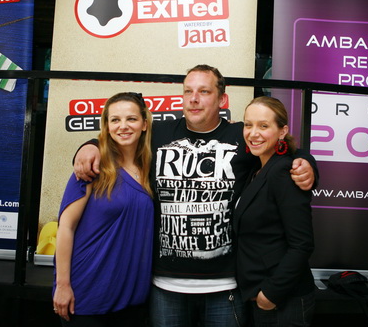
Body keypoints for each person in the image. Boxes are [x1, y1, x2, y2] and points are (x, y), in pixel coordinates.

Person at [73, 65, 318, 327]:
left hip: (226, 285)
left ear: (222, 99)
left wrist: (308, 164)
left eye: (204, 91)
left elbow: (282, 151)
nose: (194, 99)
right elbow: (119, 139)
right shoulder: (158, 134)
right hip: (166, 286)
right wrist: (89, 146)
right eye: (188, 91)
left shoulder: (242, 135)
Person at [53, 92, 154, 327]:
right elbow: (66, 227)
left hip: (131, 295)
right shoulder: (91, 168)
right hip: (87, 290)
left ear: (144, 124)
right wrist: (62, 284)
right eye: (115, 120)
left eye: (131, 119)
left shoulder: (151, 169)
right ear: (107, 126)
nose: (123, 126)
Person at [234, 96, 315, 327]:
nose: (253, 133)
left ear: (282, 131)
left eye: (263, 126)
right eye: (248, 125)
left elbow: (302, 244)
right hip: (259, 294)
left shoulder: (284, 172)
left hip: (283, 300)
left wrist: (270, 295)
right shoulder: (257, 168)